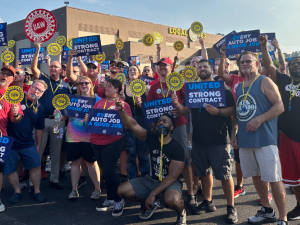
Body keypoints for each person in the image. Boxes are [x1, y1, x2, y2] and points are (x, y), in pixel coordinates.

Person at [173, 59, 238, 224]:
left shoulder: (222, 87)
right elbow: (185, 111)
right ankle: (208, 202)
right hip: (199, 139)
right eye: (199, 67)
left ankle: (231, 207)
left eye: (205, 66)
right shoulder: (192, 89)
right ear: (196, 70)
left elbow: (233, 110)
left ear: (212, 69)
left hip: (219, 138)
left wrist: (218, 112)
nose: (202, 69)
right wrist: (176, 104)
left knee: (224, 174)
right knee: (203, 172)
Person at [231, 51, 288, 225]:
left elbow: (280, 106)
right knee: (255, 176)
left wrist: (260, 119)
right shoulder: (240, 86)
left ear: (257, 64)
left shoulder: (265, 81)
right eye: (242, 62)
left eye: (249, 61)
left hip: (265, 140)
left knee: (273, 178)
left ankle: (282, 217)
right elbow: (238, 112)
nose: (245, 64)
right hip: (246, 140)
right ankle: (267, 210)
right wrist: (234, 134)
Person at [116, 110, 186, 225]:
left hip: (170, 183)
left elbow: (172, 177)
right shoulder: (151, 137)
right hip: (152, 180)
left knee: (172, 200)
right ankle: (154, 202)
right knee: (121, 190)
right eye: (159, 121)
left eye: (164, 121)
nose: (160, 123)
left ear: (172, 127)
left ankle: (181, 212)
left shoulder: (177, 148)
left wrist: (152, 194)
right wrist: (120, 110)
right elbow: (133, 125)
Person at [260, 35, 300, 221]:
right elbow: (269, 66)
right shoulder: (284, 81)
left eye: (299, 64)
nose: (296, 66)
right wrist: (263, 46)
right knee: (293, 178)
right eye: (293, 64)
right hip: (286, 136)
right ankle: (299, 206)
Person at [147, 57, 196, 211]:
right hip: (161, 129)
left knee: (185, 161)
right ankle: (161, 193)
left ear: (171, 67)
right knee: (161, 160)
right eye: (159, 66)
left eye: (165, 65)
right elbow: (150, 110)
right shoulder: (154, 87)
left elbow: (188, 107)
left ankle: (191, 193)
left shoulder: (179, 83)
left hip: (179, 125)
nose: (162, 68)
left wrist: (178, 106)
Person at [84, 79, 132, 216]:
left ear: (117, 89)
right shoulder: (99, 102)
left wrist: (121, 112)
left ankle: (119, 200)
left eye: (110, 86)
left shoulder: (123, 104)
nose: (106, 88)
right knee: (105, 171)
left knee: (110, 171)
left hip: (112, 141)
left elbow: (129, 124)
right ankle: (110, 198)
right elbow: (93, 118)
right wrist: (89, 117)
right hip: (95, 140)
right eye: (106, 86)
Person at [30, 40, 71, 190]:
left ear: (61, 70)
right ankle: (32, 181)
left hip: (58, 123)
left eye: (56, 67)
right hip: (41, 122)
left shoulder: (66, 86)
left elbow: (69, 106)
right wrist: (38, 50)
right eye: (51, 66)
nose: (53, 68)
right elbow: (33, 68)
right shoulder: (43, 80)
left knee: (56, 151)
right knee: (38, 150)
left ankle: (54, 179)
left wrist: (64, 117)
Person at [54, 76, 101, 200]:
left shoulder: (98, 100)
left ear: (91, 85)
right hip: (72, 136)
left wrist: (90, 118)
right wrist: (58, 113)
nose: (84, 85)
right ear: (78, 86)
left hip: (90, 137)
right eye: (81, 83)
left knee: (91, 163)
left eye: (86, 83)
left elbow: (102, 119)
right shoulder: (71, 100)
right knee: (75, 163)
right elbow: (64, 117)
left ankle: (97, 189)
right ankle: (74, 190)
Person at [5, 80, 48, 204]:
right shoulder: (16, 98)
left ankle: (37, 191)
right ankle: (17, 191)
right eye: (35, 87)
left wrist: (39, 145)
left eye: (40, 90)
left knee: (35, 166)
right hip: (10, 140)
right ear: (30, 87)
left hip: (27, 141)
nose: (36, 91)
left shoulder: (40, 108)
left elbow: (39, 128)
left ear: (42, 94)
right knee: (10, 168)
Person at [0, 65, 24, 212]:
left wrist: (16, 114)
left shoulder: (13, 94)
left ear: (12, 79)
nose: (4, 75)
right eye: (2, 72)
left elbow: (16, 120)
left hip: (2, 137)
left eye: (8, 74)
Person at [124, 65, 150, 180]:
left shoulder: (146, 88)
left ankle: (145, 180)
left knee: (143, 154)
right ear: (127, 73)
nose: (132, 71)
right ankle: (132, 181)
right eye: (130, 70)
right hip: (128, 124)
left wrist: (142, 105)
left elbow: (151, 109)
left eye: (135, 69)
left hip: (142, 123)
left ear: (139, 73)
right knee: (130, 154)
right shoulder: (123, 88)